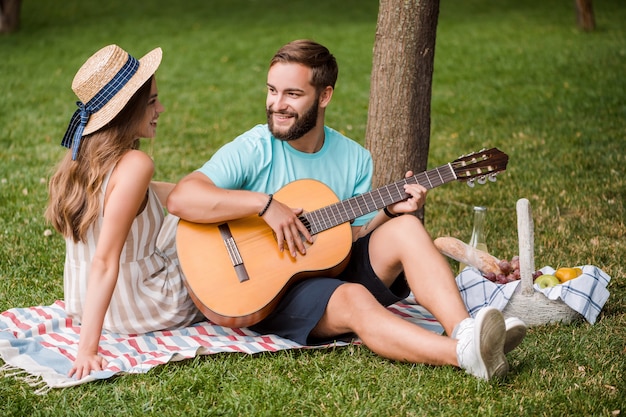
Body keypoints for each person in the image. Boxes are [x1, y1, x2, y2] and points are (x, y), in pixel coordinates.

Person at [167, 39, 526, 380]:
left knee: (407, 228)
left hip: (329, 267)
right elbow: (182, 198)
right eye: (272, 90)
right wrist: (265, 205)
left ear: (325, 96)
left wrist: (389, 212)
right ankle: (464, 354)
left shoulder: (355, 158)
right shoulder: (255, 147)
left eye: (292, 94)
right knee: (355, 298)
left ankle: (464, 330)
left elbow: (351, 237)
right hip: (267, 291)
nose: (277, 104)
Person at [45, 44, 203, 380]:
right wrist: (87, 350)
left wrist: (213, 197)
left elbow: (158, 194)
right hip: (143, 305)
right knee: (204, 239)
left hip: (83, 303)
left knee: (188, 207)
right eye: (150, 102)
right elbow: (104, 260)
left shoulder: (79, 161)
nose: (160, 108)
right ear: (125, 112)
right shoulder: (136, 164)